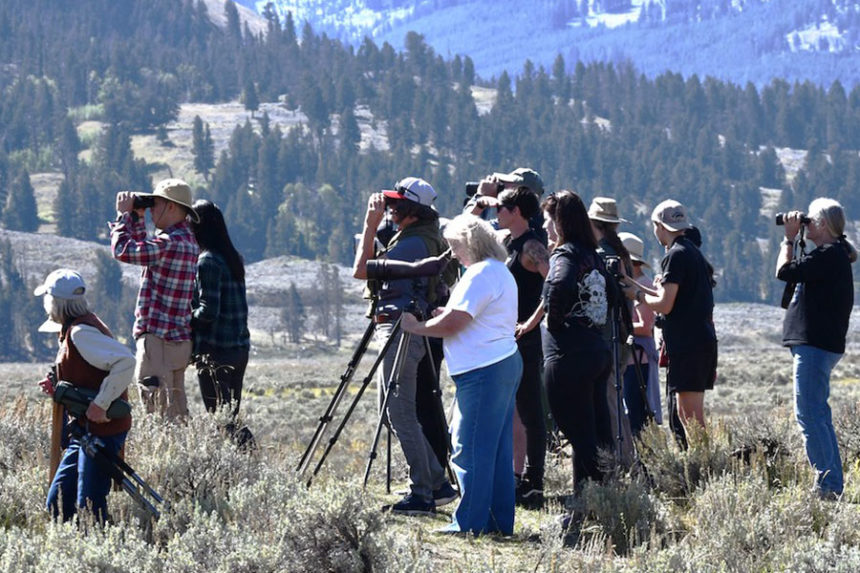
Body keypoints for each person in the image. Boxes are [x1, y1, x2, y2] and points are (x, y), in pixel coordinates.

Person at [401, 214, 522, 536]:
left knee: (469, 448)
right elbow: (468, 316)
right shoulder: (498, 271)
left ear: (470, 243)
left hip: (483, 370)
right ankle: (497, 522)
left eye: (455, 245)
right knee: (494, 449)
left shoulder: (479, 273)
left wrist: (417, 327)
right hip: (499, 363)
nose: (452, 253)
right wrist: (446, 315)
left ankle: (469, 523)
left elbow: (456, 323)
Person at [353, 177, 456, 515]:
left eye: (397, 204)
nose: (390, 208)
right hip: (402, 328)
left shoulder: (414, 244)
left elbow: (361, 269)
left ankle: (423, 492)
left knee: (399, 410)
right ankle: (435, 482)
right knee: (395, 410)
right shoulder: (419, 237)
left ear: (412, 210)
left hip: (401, 329)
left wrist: (369, 226)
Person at [35, 269, 135, 522]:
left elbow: (125, 361)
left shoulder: (81, 333)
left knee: (89, 506)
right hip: (85, 431)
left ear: (54, 302)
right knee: (59, 501)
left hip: (101, 431)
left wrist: (101, 404)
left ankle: (100, 553)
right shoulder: (78, 328)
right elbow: (88, 373)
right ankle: (70, 552)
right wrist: (59, 387)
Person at [776, 198, 856, 499]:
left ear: (822, 224)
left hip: (815, 346)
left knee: (809, 414)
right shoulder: (833, 255)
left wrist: (787, 239)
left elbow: (784, 272)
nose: (805, 224)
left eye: (809, 220)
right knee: (818, 415)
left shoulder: (829, 255)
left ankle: (828, 487)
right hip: (819, 345)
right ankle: (831, 482)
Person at [541, 191, 613, 495]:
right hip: (596, 348)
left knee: (577, 431)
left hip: (568, 352)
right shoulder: (593, 255)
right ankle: (603, 495)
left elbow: (558, 284)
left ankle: (584, 502)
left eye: (548, 220)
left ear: (559, 222)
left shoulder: (565, 255)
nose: (545, 227)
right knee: (597, 431)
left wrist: (554, 322)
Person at [110, 178, 200, 420]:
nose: (151, 210)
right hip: (177, 341)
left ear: (171, 207)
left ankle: (169, 455)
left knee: (158, 413)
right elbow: (145, 252)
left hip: (157, 341)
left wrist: (123, 217)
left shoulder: (169, 243)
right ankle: (187, 457)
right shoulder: (186, 240)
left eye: (155, 204)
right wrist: (137, 218)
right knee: (178, 413)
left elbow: (124, 251)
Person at [633, 199, 717, 447]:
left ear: (659, 225)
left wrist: (637, 295)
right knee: (691, 415)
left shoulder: (676, 255)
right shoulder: (693, 253)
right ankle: (703, 466)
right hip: (700, 340)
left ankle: (702, 468)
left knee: (687, 416)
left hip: (687, 343)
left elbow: (665, 304)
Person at [495, 186, 547, 508]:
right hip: (508, 338)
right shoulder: (509, 245)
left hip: (525, 341)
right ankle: (517, 476)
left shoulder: (531, 246)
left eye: (501, 207)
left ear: (516, 211)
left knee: (530, 413)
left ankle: (535, 482)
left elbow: (552, 285)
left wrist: (531, 322)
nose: (496, 212)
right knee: (515, 411)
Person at [189, 200, 252, 439]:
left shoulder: (207, 261)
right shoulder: (232, 257)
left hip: (216, 352)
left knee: (222, 421)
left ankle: (244, 462)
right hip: (238, 349)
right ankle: (247, 462)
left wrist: (184, 319)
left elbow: (208, 311)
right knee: (230, 417)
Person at [587, 196, 635, 463]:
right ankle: (627, 456)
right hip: (621, 337)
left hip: (608, 337)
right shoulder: (622, 255)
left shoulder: (603, 256)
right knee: (616, 400)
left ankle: (622, 460)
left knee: (610, 402)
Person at [618, 232, 662, 436]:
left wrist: (620, 326)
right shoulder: (636, 283)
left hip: (639, 360)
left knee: (637, 415)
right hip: (632, 358)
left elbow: (644, 326)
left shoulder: (643, 284)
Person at [465, 167, 547, 243]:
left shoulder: (517, 226)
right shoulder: (537, 221)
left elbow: (466, 230)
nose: (501, 188)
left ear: (518, 191)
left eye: (504, 185)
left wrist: (481, 197)